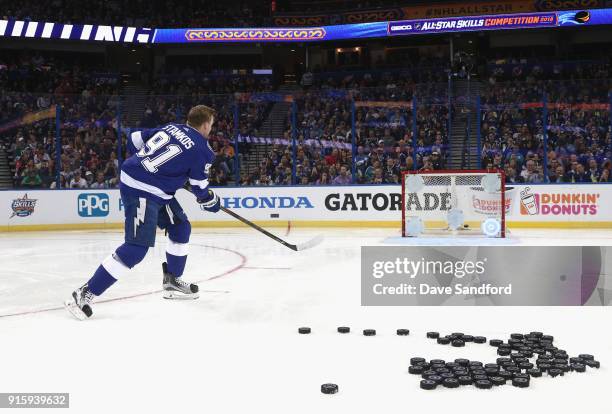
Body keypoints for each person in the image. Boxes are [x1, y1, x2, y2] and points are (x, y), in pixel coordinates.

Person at [64, 105, 221, 320]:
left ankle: (172, 280)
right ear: (205, 125)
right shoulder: (203, 150)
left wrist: (154, 166)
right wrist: (211, 202)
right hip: (142, 190)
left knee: (180, 227)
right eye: (211, 125)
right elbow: (201, 191)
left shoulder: (172, 128)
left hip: (153, 187)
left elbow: (134, 139)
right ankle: (83, 294)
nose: (210, 128)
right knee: (135, 249)